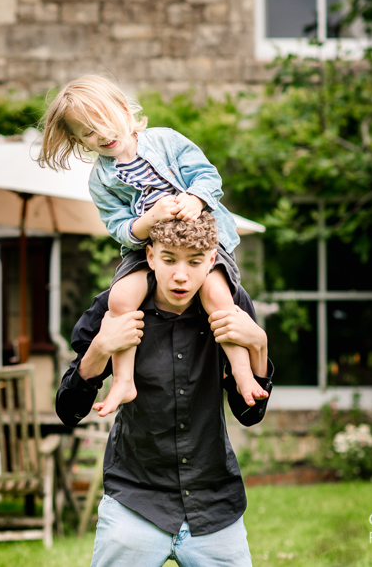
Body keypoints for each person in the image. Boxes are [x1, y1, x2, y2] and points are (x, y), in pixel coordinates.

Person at [38, 75, 268, 416]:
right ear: (77, 140)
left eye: (105, 122)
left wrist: (194, 198)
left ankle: (242, 372)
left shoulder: (166, 142)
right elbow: (119, 227)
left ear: (122, 108)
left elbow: (207, 177)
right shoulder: (102, 180)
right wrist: (149, 220)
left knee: (218, 297)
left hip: (204, 233)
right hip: (142, 244)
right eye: (88, 133)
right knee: (119, 298)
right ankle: (123, 379)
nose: (102, 135)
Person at [55, 213, 274, 567]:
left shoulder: (229, 306)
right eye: (169, 259)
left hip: (214, 505)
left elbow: (250, 414)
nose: (181, 275)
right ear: (151, 256)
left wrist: (259, 346)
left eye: (195, 261)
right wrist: (98, 351)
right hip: (135, 501)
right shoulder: (116, 306)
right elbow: (68, 411)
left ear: (212, 260)